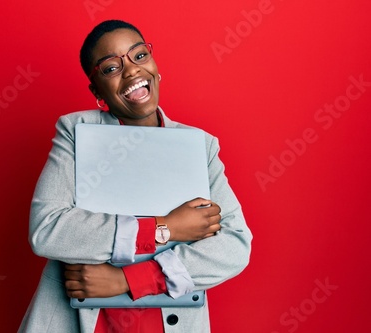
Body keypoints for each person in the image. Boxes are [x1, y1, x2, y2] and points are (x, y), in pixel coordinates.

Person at [18, 19, 252, 333]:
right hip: (83, 321)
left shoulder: (199, 145)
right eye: (111, 68)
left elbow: (234, 245)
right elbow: (48, 229)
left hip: (170, 320)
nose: (131, 72)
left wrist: (125, 280)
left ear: (155, 67)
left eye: (139, 56)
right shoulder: (76, 132)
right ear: (96, 89)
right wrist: (166, 228)